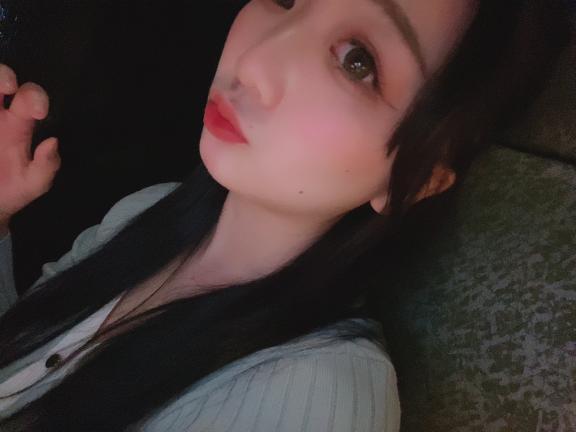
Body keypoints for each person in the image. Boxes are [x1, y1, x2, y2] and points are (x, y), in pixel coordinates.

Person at [0, 0, 570, 430]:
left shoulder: (318, 397)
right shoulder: (147, 209)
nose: (255, 60)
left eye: (356, 61)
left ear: (416, 179)